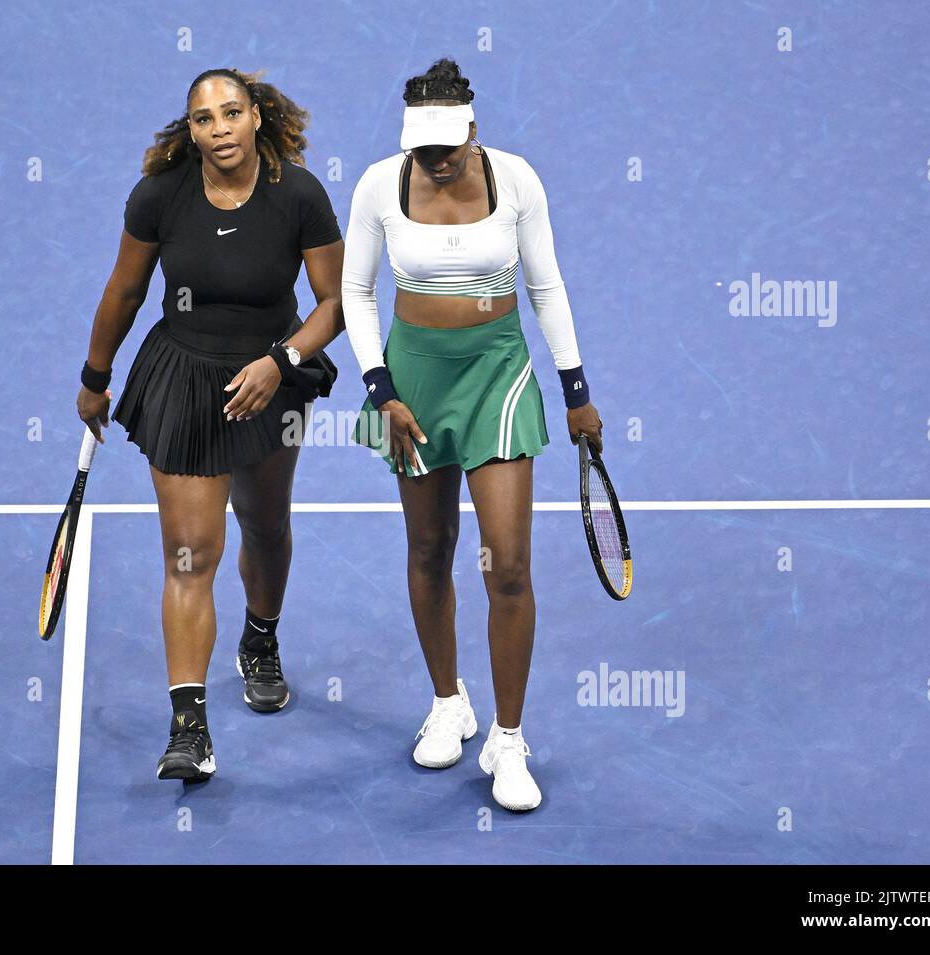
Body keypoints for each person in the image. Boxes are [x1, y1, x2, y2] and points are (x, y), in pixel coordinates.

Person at [343, 58, 604, 811]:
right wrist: (379, 387)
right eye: (423, 151)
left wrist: (576, 389)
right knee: (428, 549)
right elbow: (356, 292)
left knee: (509, 565)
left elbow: (545, 284)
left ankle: (509, 737)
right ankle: (448, 700)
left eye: (447, 150)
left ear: (472, 129)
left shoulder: (516, 180)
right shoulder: (377, 186)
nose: (435, 162)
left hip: (498, 372)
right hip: (412, 381)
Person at [75, 68, 344, 783]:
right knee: (190, 551)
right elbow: (125, 289)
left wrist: (279, 361)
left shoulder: (300, 196)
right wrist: (94, 378)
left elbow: (334, 304)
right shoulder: (161, 195)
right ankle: (189, 726)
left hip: (270, 380)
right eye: (204, 119)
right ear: (189, 130)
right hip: (185, 380)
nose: (219, 128)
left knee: (265, 524)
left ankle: (260, 639)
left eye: (231, 113)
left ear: (257, 117)